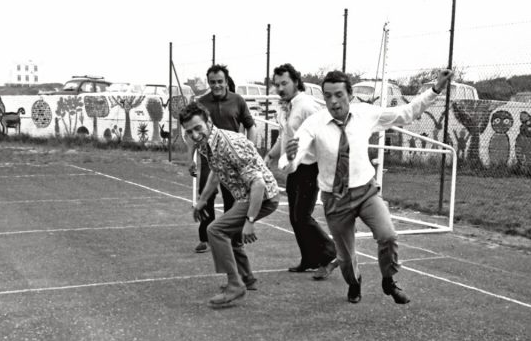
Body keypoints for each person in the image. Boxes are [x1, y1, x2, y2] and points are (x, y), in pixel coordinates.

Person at [283, 69, 453, 304]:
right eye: (328, 95)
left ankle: (388, 280)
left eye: (339, 95)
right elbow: (294, 157)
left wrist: (435, 90)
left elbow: (404, 114)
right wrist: (291, 158)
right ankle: (354, 283)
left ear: (350, 95)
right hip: (336, 198)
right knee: (345, 258)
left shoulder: (365, 114)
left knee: (388, 236)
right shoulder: (315, 123)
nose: (333, 101)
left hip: (365, 191)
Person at [180, 102, 279, 307]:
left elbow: (258, 183)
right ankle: (246, 278)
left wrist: (250, 221)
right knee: (229, 233)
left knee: (215, 231)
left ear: (209, 122)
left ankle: (235, 285)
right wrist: (202, 201)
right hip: (245, 196)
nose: (195, 135)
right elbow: (216, 173)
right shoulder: (207, 144)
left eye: (198, 128)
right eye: (190, 132)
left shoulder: (228, 144)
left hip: (261, 196)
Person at [265, 63, 338, 280]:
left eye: (284, 83)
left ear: (296, 81)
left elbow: (325, 130)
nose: (280, 88)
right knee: (295, 218)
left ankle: (331, 252)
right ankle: (309, 259)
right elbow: (284, 137)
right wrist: (270, 155)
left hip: (310, 167)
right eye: (277, 84)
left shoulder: (306, 105)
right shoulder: (286, 107)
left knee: (302, 216)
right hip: (294, 167)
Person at [189, 64, 258, 253]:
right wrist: (191, 159)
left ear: (226, 82)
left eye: (220, 81)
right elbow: (193, 133)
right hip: (208, 159)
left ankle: (234, 238)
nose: (216, 85)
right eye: (213, 82)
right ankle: (205, 238)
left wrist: (250, 150)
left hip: (233, 160)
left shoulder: (238, 101)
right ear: (209, 83)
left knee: (234, 199)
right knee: (206, 196)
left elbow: (251, 126)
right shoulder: (201, 103)